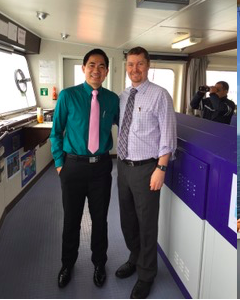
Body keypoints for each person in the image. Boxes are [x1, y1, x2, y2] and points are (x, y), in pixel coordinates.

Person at [50, 49, 119, 289]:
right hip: (73, 168)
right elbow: (56, 132)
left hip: (101, 168)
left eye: (101, 66)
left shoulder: (112, 99)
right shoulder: (68, 96)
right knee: (71, 220)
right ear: (83, 68)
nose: (96, 70)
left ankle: (99, 263)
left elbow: (130, 127)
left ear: (107, 71)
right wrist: (60, 164)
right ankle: (67, 264)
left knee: (100, 221)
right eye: (92, 65)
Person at [116, 46, 177, 299]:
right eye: (130, 64)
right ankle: (134, 257)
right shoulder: (122, 96)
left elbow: (168, 135)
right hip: (122, 166)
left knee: (147, 225)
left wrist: (161, 168)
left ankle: (146, 274)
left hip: (146, 169)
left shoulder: (160, 95)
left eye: (140, 64)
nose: (134, 69)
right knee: (128, 220)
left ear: (148, 65)